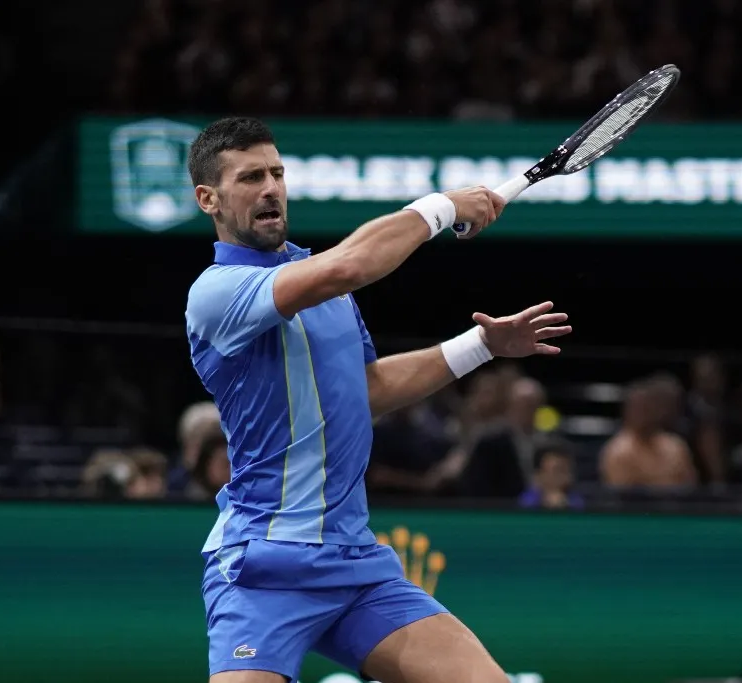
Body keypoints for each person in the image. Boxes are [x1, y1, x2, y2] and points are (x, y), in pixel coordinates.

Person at [184, 117, 571, 683]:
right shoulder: (217, 293)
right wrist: (442, 206)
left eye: (276, 173)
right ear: (208, 199)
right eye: (249, 178)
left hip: (355, 566)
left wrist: (483, 344)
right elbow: (350, 266)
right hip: (264, 569)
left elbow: (367, 390)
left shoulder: (321, 286)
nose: (270, 188)